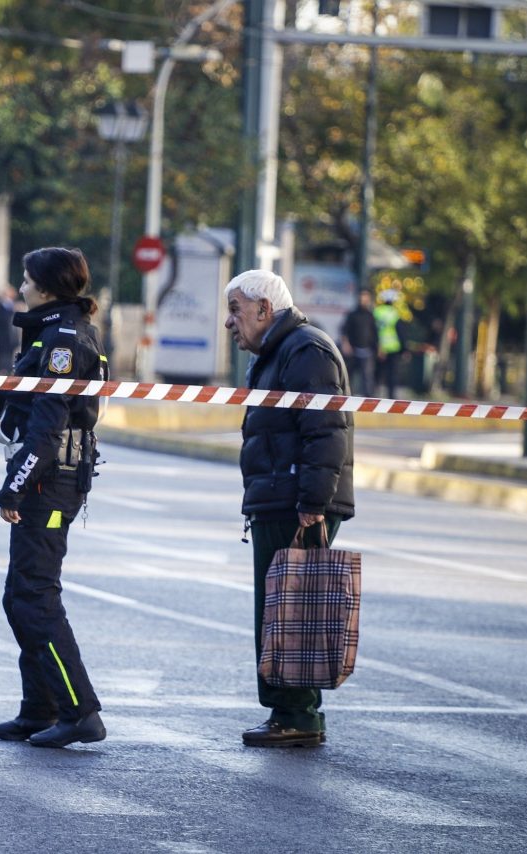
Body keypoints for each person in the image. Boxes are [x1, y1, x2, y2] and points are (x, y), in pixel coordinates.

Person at [0, 247, 107, 749]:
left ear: (48, 289)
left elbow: (47, 431)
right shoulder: (50, 332)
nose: (20, 287)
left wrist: (14, 486)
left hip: (52, 481)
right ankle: (40, 709)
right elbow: (17, 406)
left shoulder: (63, 340)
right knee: (20, 596)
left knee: (34, 596)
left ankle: (80, 711)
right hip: (48, 477)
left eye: (27, 280)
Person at [223, 269, 354, 748]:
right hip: (282, 499)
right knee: (281, 608)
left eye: (235, 310)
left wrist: (312, 504)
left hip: (296, 501)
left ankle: (297, 715)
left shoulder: (305, 350)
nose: (229, 323)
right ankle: (290, 712)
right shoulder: (280, 352)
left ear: (264, 309)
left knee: (293, 609)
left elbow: (326, 431)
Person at [339, 289, 377, 397]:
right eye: (361, 298)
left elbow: (375, 333)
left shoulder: (371, 315)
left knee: (367, 378)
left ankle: (368, 400)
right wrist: (346, 345)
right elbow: (344, 331)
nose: (363, 300)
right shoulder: (352, 314)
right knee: (348, 376)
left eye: (365, 298)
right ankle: (348, 397)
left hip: (367, 352)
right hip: (353, 351)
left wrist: (378, 348)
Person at [374, 289, 404, 399]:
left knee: (378, 374)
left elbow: (373, 330)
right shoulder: (394, 313)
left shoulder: (377, 311)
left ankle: (374, 395)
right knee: (392, 375)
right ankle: (391, 397)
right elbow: (400, 331)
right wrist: (404, 349)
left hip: (379, 348)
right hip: (393, 348)